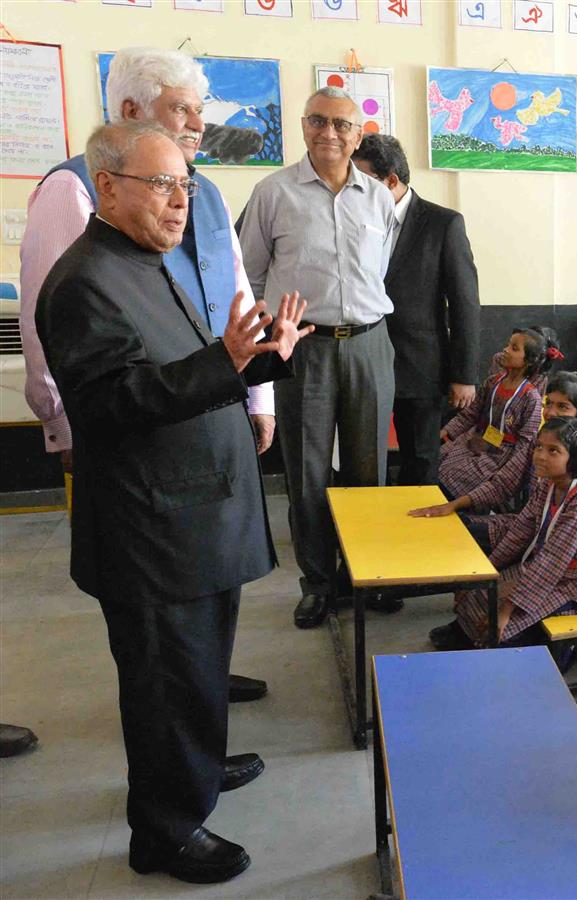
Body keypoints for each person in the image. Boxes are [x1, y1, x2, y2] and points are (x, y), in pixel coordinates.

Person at [35, 122, 312, 883]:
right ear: (108, 186)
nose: (179, 201)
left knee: (196, 672)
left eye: (186, 186)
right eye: (162, 185)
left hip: (192, 516)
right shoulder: (85, 280)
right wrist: (224, 362)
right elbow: (112, 406)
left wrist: (255, 359)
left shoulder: (147, 261)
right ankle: (163, 831)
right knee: (165, 682)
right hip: (151, 531)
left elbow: (188, 369)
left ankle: (195, 768)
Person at [19, 46, 270, 703]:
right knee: (165, 663)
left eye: (200, 110)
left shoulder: (193, 200)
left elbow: (229, 297)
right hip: (148, 479)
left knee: (194, 653)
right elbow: (62, 339)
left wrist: (264, 377)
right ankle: (177, 791)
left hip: (201, 447)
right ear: (132, 113)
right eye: (180, 110)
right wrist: (57, 425)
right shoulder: (74, 201)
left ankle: (201, 739)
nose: (197, 123)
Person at [239, 86, 397, 629]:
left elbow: (380, 272)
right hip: (303, 347)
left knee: (368, 470)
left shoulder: (379, 198)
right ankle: (318, 583)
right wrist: (267, 343)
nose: (328, 133)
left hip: (371, 344)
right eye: (317, 121)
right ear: (303, 126)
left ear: (359, 135)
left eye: (340, 125)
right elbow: (252, 274)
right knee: (306, 472)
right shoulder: (272, 192)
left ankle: (368, 574)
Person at [412, 367, 577, 571]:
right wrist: (454, 504)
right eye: (549, 403)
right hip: (527, 524)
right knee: (457, 528)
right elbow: (502, 483)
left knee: (473, 547)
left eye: (563, 407)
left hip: (555, 541)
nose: (550, 412)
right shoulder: (539, 444)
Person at [350, 133, 480, 487]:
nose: (355, 189)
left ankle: (419, 538)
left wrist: (464, 374)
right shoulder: (354, 220)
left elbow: (465, 303)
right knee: (362, 460)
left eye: (364, 181)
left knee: (420, 462)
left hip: (421, 367)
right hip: (363, 361)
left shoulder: (443, 224)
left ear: (391, 180)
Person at [435, 417, 577, 650]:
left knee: (503, 626)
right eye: (539, 447)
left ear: (576, 458)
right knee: (482, 591)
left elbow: (551, 563)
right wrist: (487, 571)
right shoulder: (548, 484)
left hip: (569, 582)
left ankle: (571, 649)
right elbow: (520, 530)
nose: (540, 455)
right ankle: (465, 637)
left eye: (553, 451)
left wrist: (508, 608)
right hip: (539, 565)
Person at [433, 327, 549, 514]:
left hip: (500, 455)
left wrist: (509, 473)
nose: (505, 350)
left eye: (514, 348)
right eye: (508, 345)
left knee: (450, 478)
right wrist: (442, 434)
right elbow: (469, 415)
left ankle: (463, 521)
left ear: (528, 361)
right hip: (476, 440)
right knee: (435, 463)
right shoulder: (492, 382)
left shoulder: (531, 398)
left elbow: (526, 444)